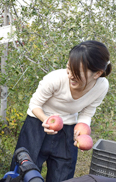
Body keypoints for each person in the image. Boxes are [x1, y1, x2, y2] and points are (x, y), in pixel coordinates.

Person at [10, 40, 112, 182]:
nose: (70, 75)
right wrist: (45, 119)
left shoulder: (101, 86)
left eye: (77, 72)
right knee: (25, 171)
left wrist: (81, 131)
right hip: (37, 124)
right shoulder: (55, 79)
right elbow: (35, 104)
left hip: (67, 128)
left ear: (97, 74)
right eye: (68, 68)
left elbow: (87, 112)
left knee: (62, 174)